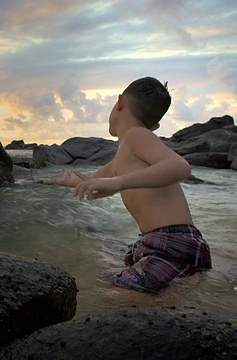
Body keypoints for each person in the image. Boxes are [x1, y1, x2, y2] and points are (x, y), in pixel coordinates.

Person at [44, 76, 212, 293]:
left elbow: (180, 167)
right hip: (156, 242)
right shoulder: (124, 154)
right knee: (110, 270)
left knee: (113, 294)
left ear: (120, 102)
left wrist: (118, 183)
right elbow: (95, 180)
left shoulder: (137, 135)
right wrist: (64, 182)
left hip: (173, 241)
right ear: (156, 124)